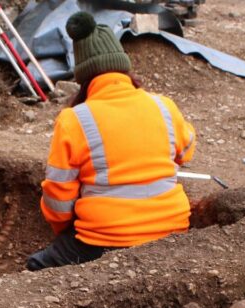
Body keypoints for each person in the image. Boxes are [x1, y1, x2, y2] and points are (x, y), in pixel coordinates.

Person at [27, 11, 196, 271]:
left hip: (104, 240)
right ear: (123, 66)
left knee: (36, 267)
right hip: (172, 229)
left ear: (83, 77)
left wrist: (65, 230)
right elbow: (186, 152)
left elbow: (58, 200)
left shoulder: (74, 120)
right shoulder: (164, 106)